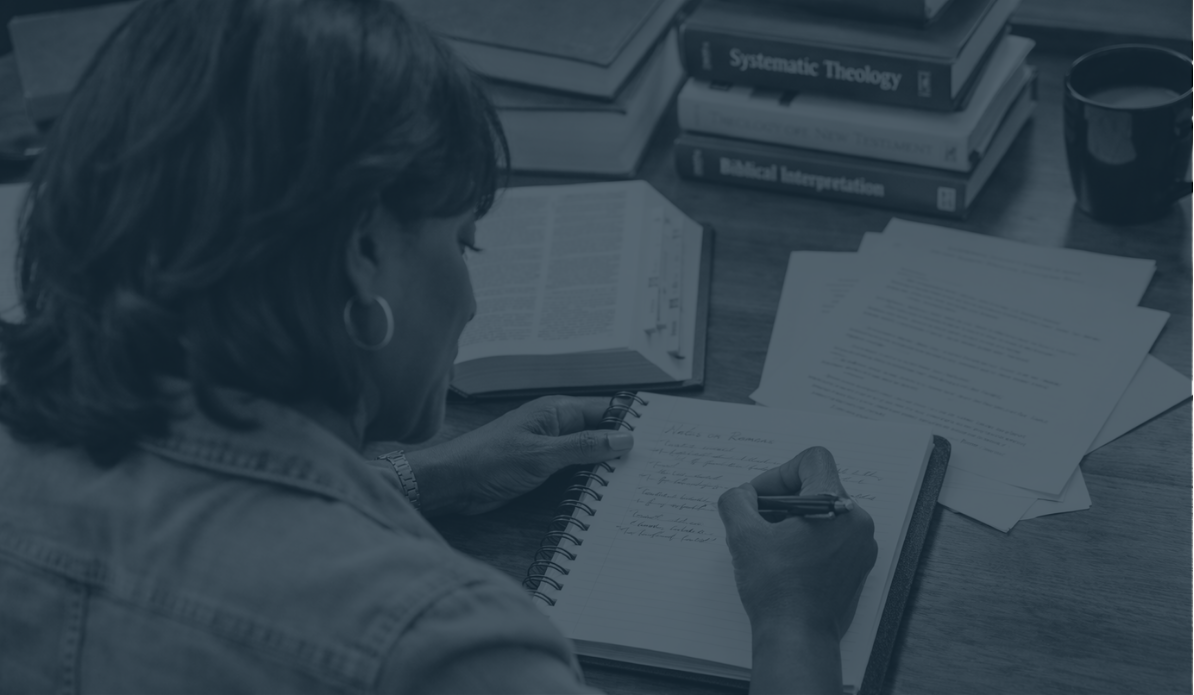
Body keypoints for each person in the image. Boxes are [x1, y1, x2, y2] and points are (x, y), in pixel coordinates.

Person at [0, 1, 878, 693]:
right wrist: (793, 624)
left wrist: (423, 477)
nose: (469, 299)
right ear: (363, 254)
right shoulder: (447, 648)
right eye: (463, 240)